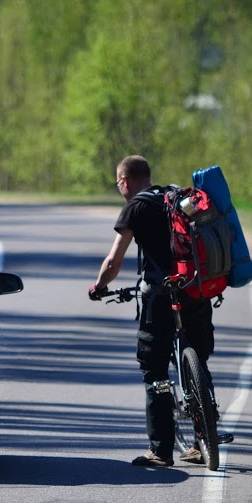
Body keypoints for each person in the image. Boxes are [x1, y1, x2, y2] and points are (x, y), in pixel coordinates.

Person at [88, 154, 215, 467]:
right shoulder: (176, 197)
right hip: (195, 289)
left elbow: (114, 261)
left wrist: (99, 286)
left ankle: (161, 450)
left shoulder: (137, 207)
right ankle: (204, 439)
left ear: (125, 181)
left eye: (118, 184)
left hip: (160, 296)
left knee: (155, 369)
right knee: (199, 359)